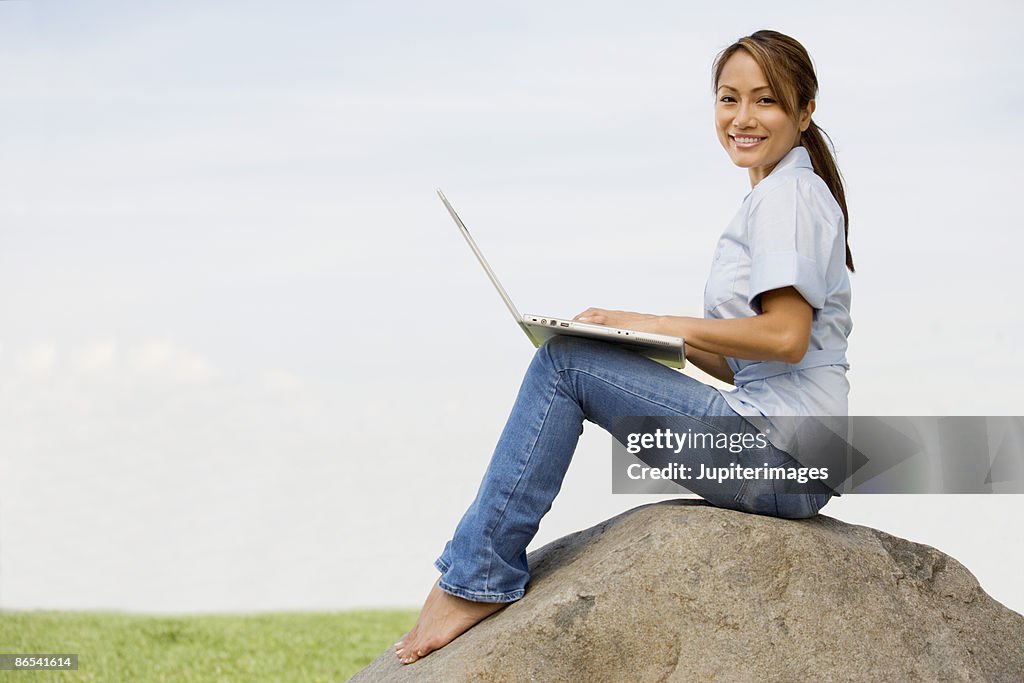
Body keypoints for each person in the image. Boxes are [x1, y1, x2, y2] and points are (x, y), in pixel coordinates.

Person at [394, 29, 854, 665]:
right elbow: (749, 359)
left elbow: (784, 337)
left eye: (766, 101)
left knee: (562, 364)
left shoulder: (788, 198)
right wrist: (634, 347)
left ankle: (478, 575)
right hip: (798, 453)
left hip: (780, 453)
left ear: (804, 112)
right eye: (728, 99)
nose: (742, 118)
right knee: (580, 360)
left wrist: (653, 322)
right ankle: (479, 569)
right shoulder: (784, 193)